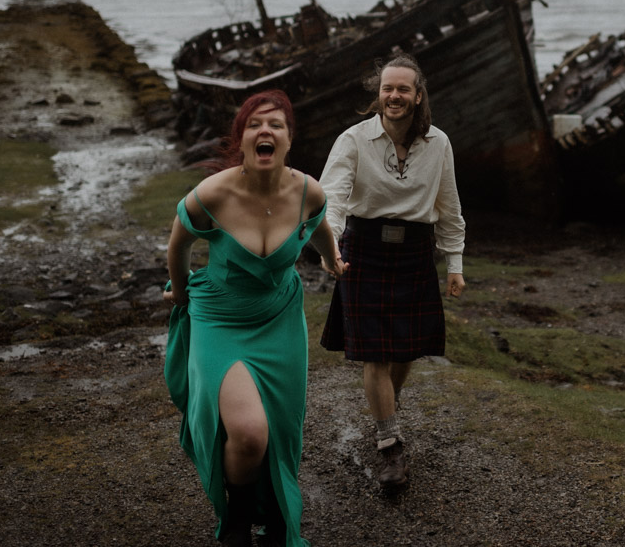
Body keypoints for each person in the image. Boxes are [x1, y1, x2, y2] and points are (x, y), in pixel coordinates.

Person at [163, 89, 347, 547]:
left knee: (281, 429)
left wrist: (332, 259)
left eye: (276, 125)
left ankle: (272, 519)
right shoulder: (214, 193)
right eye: (255, 124)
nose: (266, 131)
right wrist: (181, 291)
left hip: (278, 315)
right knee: (248, 433)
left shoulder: (307, 191)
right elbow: (179, 242)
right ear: (242, 139)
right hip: (220, 318)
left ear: (288, 139)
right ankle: (238, 524)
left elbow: (319, 226)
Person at [319, 53, 466, 490]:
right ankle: (390, 444)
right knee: (376, 353)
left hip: (415, 252)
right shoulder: (353, 139)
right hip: (362, 250)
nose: (394, 96)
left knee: (404, 350)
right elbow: (332, 199)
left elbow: (449, 207)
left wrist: (455, 264)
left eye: (403, 89)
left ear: (418, 95)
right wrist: (330, 247)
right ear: (378, 94)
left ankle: (389, 405)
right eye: (388, 88)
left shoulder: (439, 143)